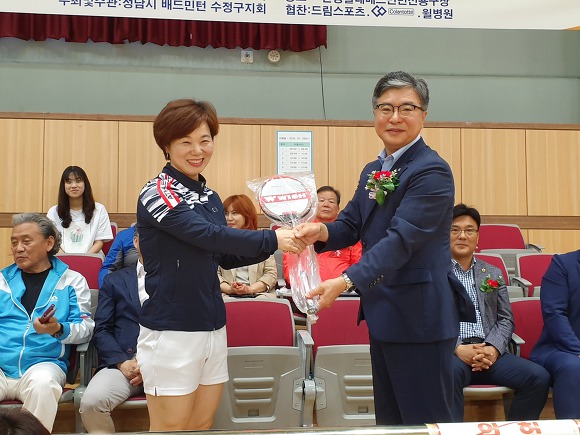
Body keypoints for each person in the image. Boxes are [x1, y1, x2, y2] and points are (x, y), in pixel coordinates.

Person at [295, 71, 475, 425]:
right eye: (386, 108)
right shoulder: (373, 169)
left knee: (426, 423)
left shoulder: (431, 171)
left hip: (421, 319)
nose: (395, 117)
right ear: (374, 113)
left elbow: (402, 239)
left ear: (423, 115)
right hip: (385, 315)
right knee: (391, 423)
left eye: (407, 108)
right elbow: (350, 225)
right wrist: (318, 231)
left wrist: (345, 281)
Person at [136, 98, 302, 431]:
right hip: (172, 330)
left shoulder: (210, 197)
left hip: (213, 325)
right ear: (166, 145)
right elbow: (208, 236)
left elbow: (222, 255)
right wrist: (272, 240)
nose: (197, 150)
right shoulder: (157, 192)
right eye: (185, 142)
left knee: (201, 424)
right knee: (170, 428)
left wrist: (284, 238)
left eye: (204, 140)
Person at [450, 204, 550, 421]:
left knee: (538, 378)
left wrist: (493, 348)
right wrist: (457, 348)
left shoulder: (492, 272)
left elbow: (505, 319)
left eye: (469, 230)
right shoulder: (434, 274)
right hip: (454, 354)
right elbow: (428, 321)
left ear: (477, 237)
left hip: (489, 352)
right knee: (444, 377)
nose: (462, 236)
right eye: (455, 230)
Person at [0, 213, 94, 432]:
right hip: (2, 368)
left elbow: (86, 329)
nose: (18, 248)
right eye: (14, 243)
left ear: (49, 243)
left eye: (26, 241)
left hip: (44, 364)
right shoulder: (2, 281)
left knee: (43, 384)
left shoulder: (72, 281)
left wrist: (57, 329)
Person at [80, 226, 147, 433]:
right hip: (124, 363)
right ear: (136, 242)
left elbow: (184, 328)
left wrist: (150, 364)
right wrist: (122, 362)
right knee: (92, 402)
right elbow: (102, 329)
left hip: (167, 365)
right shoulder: (114, 280)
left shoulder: (179, 280)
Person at [530, 250, 580, 418]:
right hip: (562, 349)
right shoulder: (563, 264)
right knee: (573, 366)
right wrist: (577, 349)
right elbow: (554, 313)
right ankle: (571, 428)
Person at [282, 185, 362, 286]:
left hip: (342, 290)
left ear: (338, 209)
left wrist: (348, 285)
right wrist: (303, 287)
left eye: (331, 201)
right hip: (308, 290)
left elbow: (357, 265)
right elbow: (291, 268)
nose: (326, 205)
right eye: (321, 200)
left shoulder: (349, 232)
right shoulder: (300, 231)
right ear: (313, 207)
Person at [218, 194, 277, 299]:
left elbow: (270, 274)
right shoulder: (218, 241)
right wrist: (230, 289)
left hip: (258, 293)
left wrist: (250, 289)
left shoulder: (261, 239)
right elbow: (214, 274)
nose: (229, 218)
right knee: (221, 302)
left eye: (234, 213)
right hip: (227, 293)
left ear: (247, 215)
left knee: (265, 302)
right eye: (226, 213)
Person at [47, 166, 113, 254]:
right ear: (63, 186)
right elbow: (53, 243)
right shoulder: (53, 212)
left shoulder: (99, 209)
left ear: (85, 184)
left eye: (78, 181)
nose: (74, 185)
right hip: (61, 259)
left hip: (91, 257)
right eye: (68, 182)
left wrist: (83, 259)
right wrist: (66, 260)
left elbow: (99, 242)